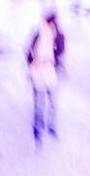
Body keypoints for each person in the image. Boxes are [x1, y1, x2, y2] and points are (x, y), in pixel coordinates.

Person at [27, 11, 65, 143]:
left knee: (53, 102)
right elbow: (28, 51)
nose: (43, 24)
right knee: (39, 103)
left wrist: (54, 39)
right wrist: (31, 63)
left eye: (45, 22)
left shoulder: (58, 36)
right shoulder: (38, 34)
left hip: (50, 73)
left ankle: (51, 126)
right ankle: (37, 128)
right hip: (37, 73)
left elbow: (61, 52)